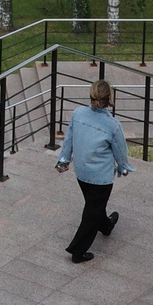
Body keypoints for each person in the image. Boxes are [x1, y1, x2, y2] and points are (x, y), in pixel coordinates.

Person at [54, 78, 132, 264]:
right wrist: (123, 168)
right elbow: (120, 152)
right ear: (109, 98)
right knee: (91, 212)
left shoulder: (78, 113)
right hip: (101, 178)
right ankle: (78, 251)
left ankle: (105, 226)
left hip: (82, 173)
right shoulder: (113, 125)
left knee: (94, 205)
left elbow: (69, 140)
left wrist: (63, 161)